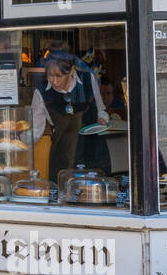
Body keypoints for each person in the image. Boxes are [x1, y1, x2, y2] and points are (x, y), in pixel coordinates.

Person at [31, 50, 110, 179]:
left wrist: (102, 119)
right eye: (50, 75)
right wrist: (15, 141)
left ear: (72, 71)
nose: (54, 81)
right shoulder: (41, 92)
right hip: (63, 154)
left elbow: (100, 109)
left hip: (93, 151)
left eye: (59, 75)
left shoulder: (88, 80)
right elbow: (36, 129)